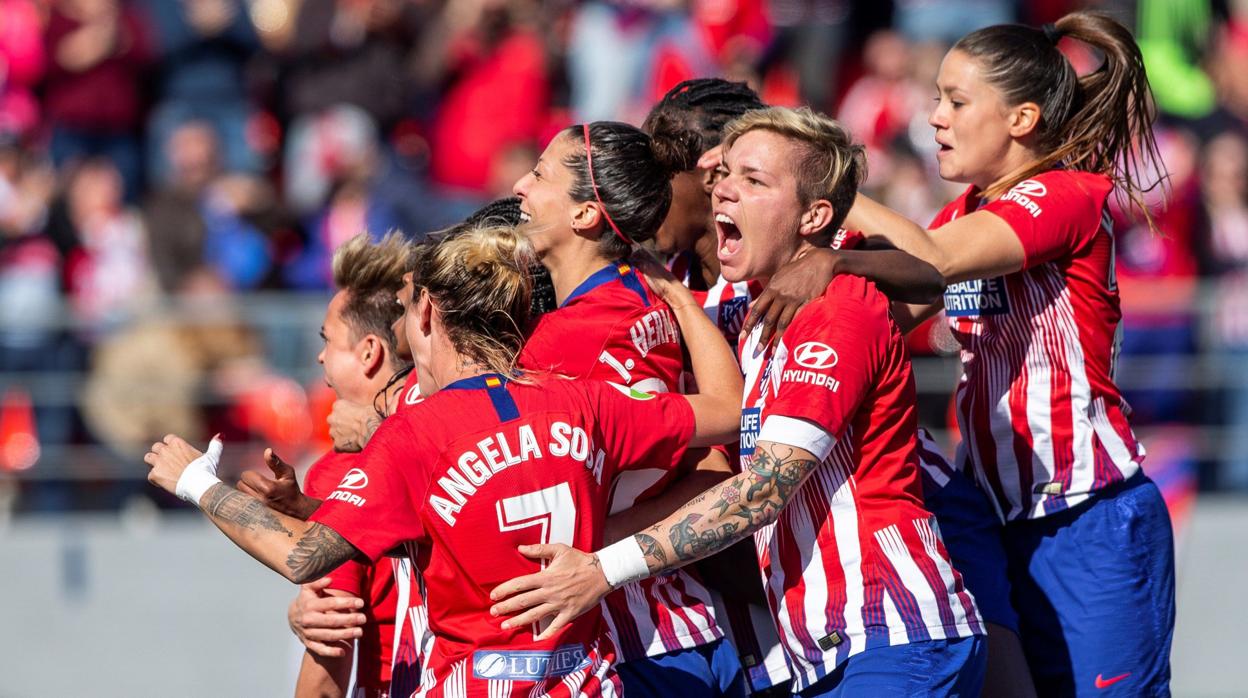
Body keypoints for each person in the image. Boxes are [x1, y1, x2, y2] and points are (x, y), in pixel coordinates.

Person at [488, 107, 987, 697]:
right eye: (726, 174)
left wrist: (603, 567)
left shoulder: (836, 310)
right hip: (829, 645)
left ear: (815, 216)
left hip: (894, 628)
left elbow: (763, 490)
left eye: (754, 180)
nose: (723, 188)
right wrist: (675, 292)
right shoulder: (754, 309)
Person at [747, 13, 1176, 696]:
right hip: (998, 516)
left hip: (1085, 515)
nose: (934, 117)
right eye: (936, 98)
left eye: (956, 100)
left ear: (1022, 118)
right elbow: (884, 311)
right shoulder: (969, 212)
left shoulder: (1062, 194)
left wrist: (815, 187)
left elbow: (934, 262)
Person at [144, 224, 745, 697]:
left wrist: (198, 482)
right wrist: (679, 299)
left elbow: (304, 557)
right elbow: (726, 409)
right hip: (587, 679)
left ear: (428, 313)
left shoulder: (414, 435)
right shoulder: (583, 402)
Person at [514, 122, 746, 696]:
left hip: (625, 650)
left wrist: (599, 539)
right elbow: (711, 471)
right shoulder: (653, 306)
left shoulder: (568, 340)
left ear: (586, 215)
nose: (520, 185)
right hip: (688, 630)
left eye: (540, 174)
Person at [245, 232, 417, 698]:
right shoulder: (462, 428)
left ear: (368, 353)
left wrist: (194, 481)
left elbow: (328, 659)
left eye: (328, 341)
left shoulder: (341, 471)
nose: (320, 355)